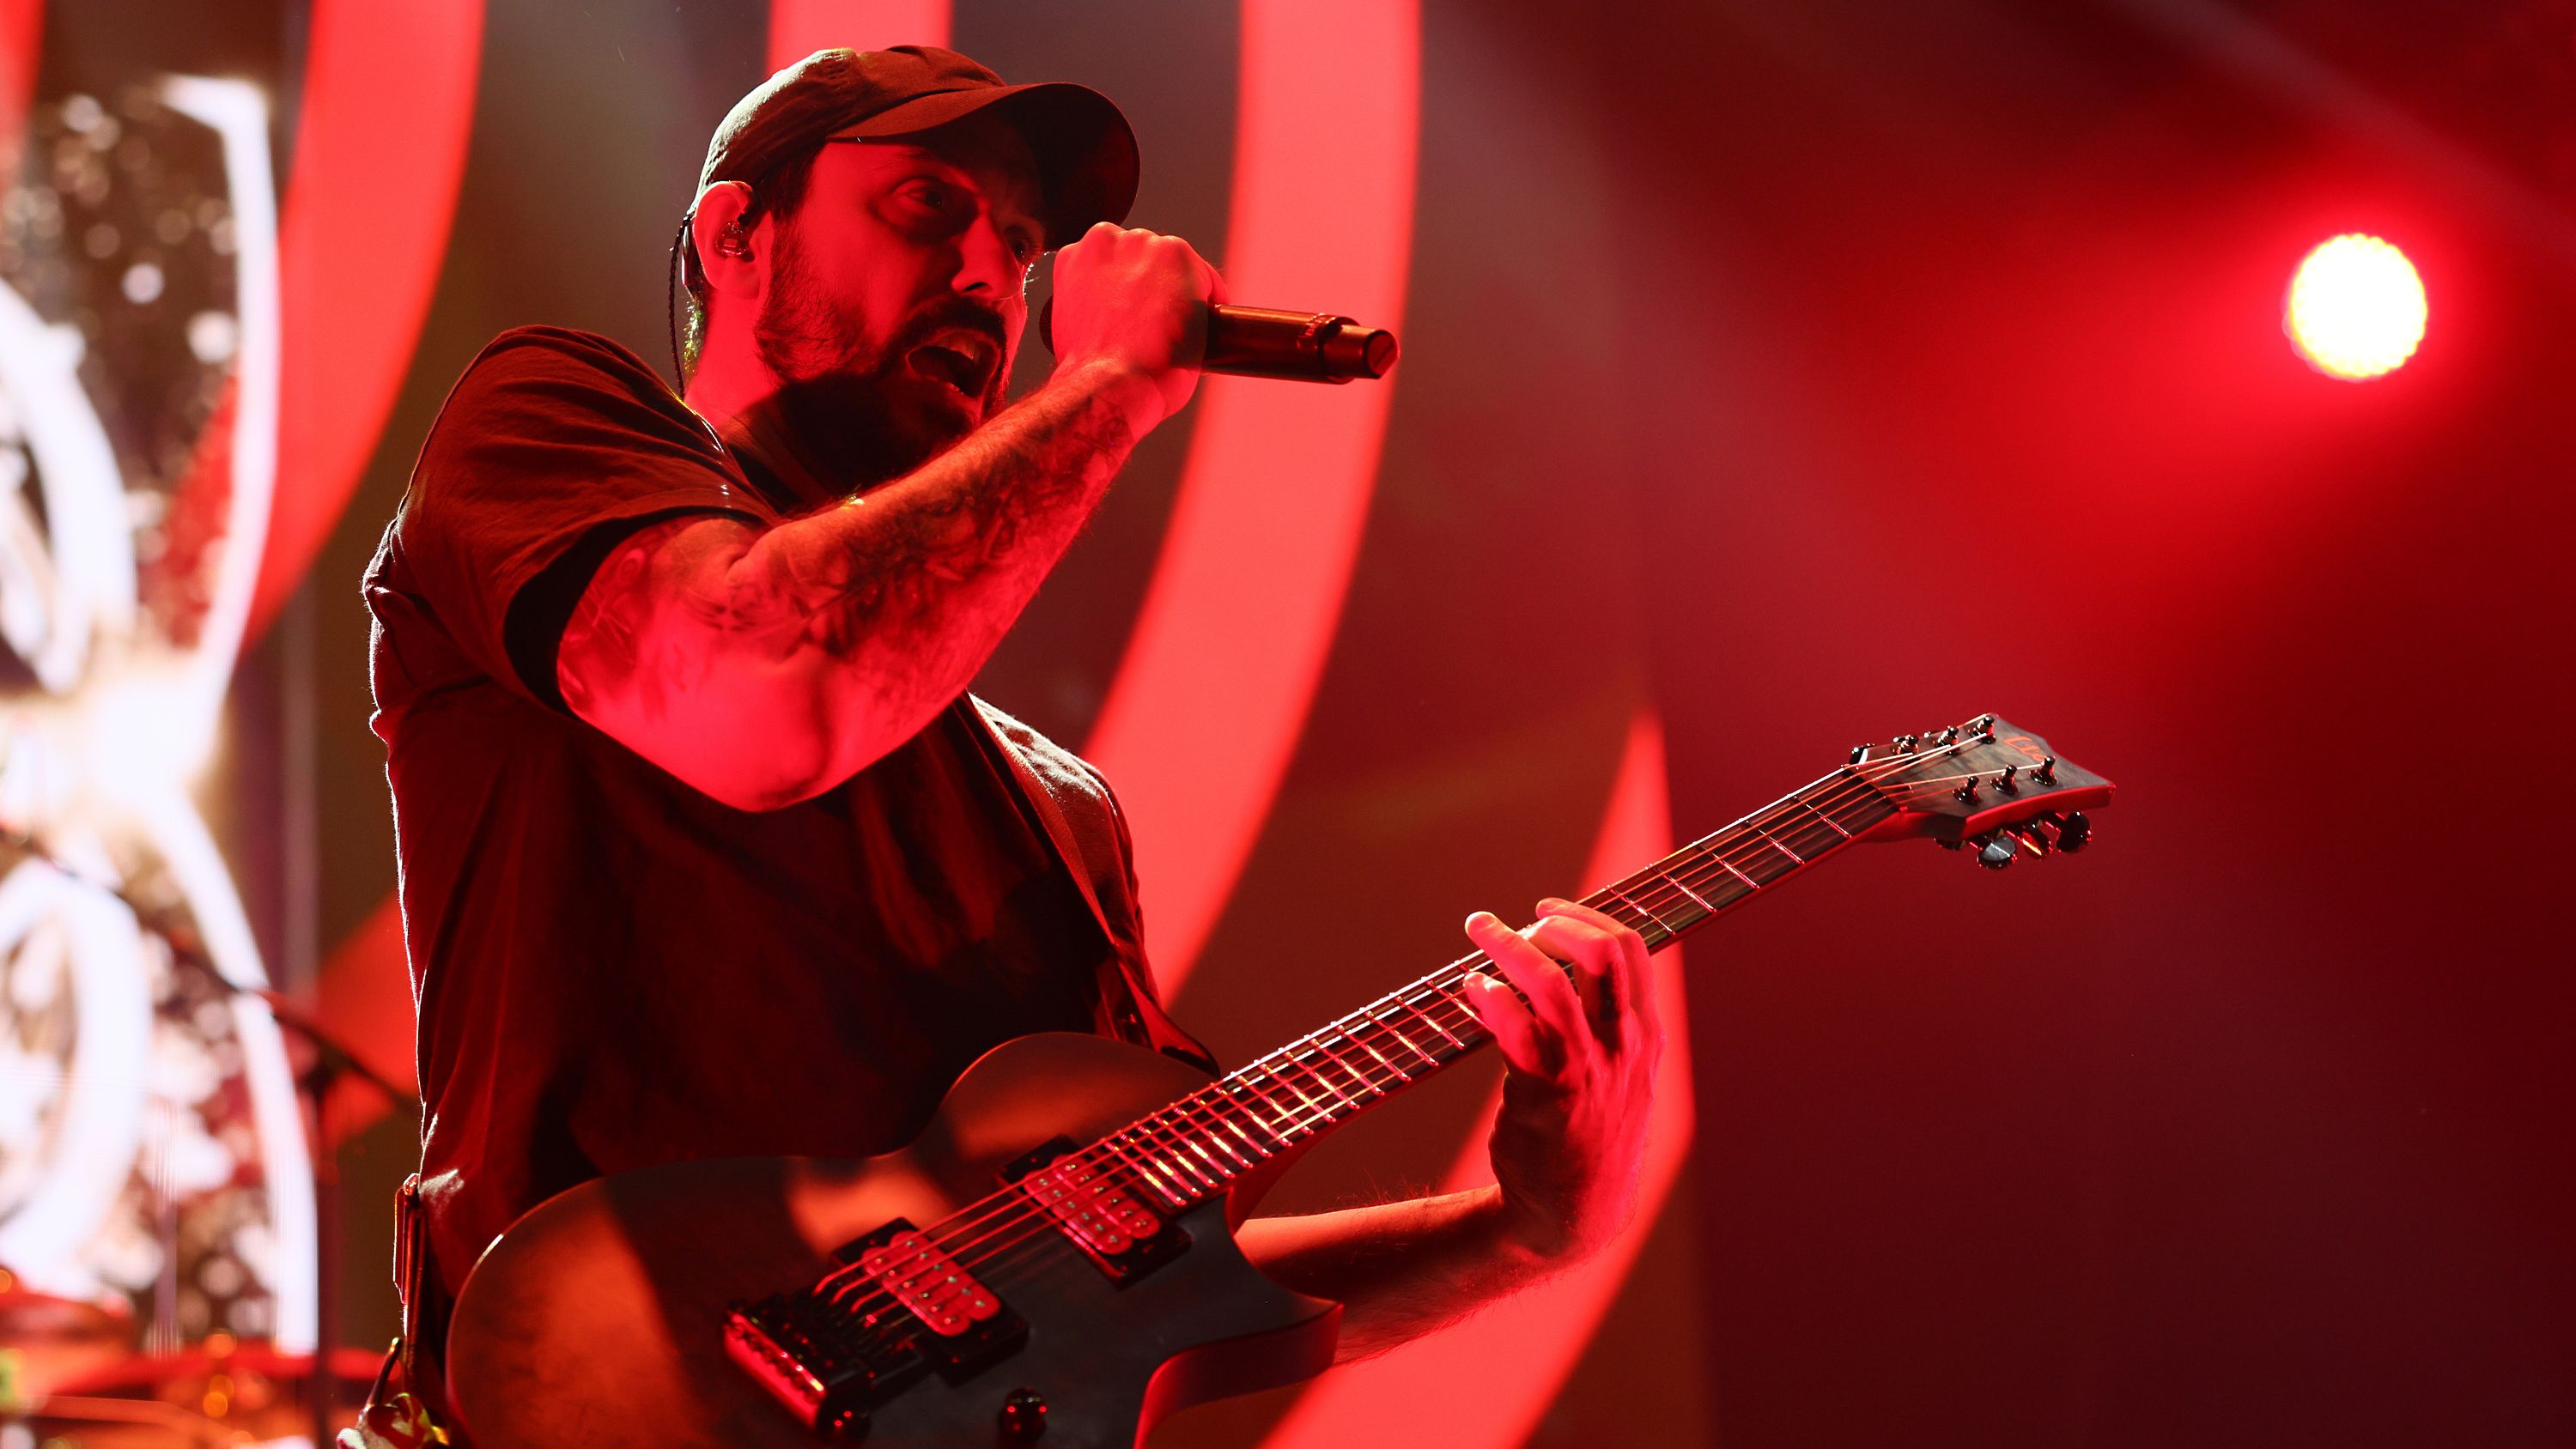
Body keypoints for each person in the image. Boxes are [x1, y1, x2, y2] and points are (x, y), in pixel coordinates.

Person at [361, 44, 1659, 1431]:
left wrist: (1526, 1231)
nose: (993, 272)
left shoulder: (1062, 806)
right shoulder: (547, 421)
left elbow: (1099, 1295)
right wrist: (1107, 387)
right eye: (929, 207)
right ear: (738, 232)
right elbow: (760, 701)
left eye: (1023, 245)